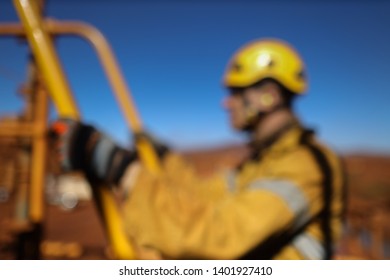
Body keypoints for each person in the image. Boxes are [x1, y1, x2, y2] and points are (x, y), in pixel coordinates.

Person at [51, 38, 345, 259]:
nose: (225, 103)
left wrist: (119, 167)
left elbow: (220, 236)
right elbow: (202, 195)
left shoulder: (307, 165)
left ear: (267, 97)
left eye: (235, 93)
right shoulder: (261, 163)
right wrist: (166, 158)